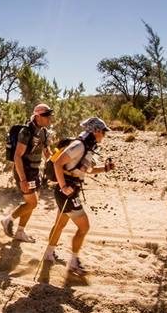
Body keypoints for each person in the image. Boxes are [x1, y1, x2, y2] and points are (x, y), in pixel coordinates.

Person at [44, 116, 114, 274]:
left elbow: (85, 170)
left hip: (70, 190)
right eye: (103, 131)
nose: (104, 134)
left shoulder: (88, 147)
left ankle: (49, 254)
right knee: (84, 227)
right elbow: (57, 163)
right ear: (96, 131)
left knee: (60, 225)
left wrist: (105, 169)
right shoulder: (79, 145)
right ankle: (74, 262)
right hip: (67, 192)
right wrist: (63, 186)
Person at [1, 104, 53, 243]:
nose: (49, 118)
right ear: (37, 116)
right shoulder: (26, 132)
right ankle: (8, 220)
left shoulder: (44, 132)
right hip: (24, 171)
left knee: (31, 203)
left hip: (35, 171)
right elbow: (17, 156)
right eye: (46, 115)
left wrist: (59, 163)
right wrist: (23, 179)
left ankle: (20, 232)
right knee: (33, 203)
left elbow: (47, 153)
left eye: (49, 115)